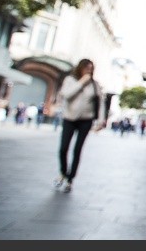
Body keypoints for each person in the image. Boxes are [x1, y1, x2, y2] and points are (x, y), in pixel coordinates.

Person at [52, 58, 106, 193]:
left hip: (86, 120)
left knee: (77, 150)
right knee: (63, 148)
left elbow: (100, 103)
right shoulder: (70, 80)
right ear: (80, 68)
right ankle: (63, 172)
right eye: (87, 68)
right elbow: (67, 95)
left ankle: (70, 179)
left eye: (91, 69)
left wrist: (101, 120)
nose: (89, 71)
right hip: (69, 118)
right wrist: (82, 82)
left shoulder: (95, 84)